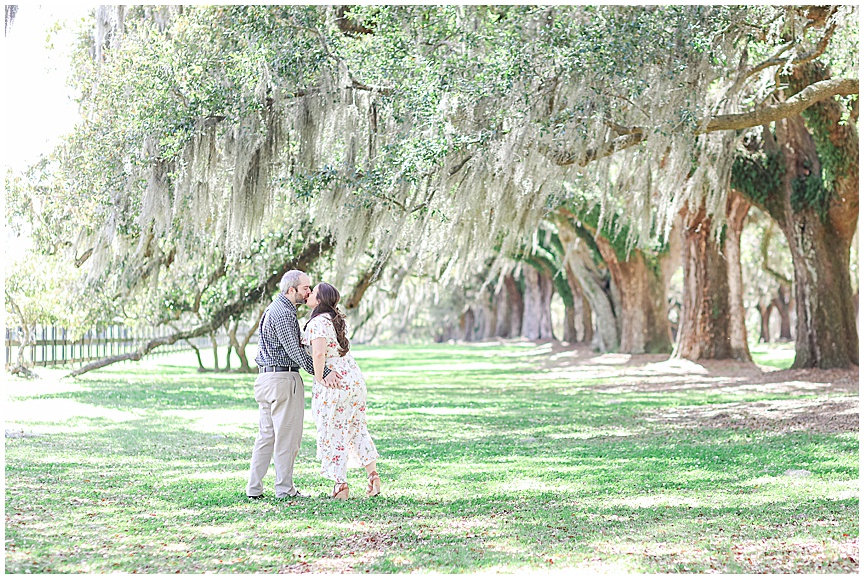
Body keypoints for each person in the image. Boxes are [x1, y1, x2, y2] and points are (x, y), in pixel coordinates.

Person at [246, 270, 341, 500]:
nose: (309, 291)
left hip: (265, 379)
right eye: (306, 288)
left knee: (266, 437)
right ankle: (284, 490)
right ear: (292, 290)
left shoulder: (273, 308)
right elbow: (295, 352)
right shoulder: (284, 313)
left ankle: (254, 488)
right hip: (283, 380)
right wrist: (323, 372)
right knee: (287, 439)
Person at [302, 282, 381, 500]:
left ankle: (340, 484)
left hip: (335, 381)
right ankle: (372, 475)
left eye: (313, 292)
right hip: (354, 378)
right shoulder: (335, 320)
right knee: (357, 427)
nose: (308, 294)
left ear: (319, 300)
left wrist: (320, 376)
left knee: (332, 431)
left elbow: (318, 354)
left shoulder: (317, 322)